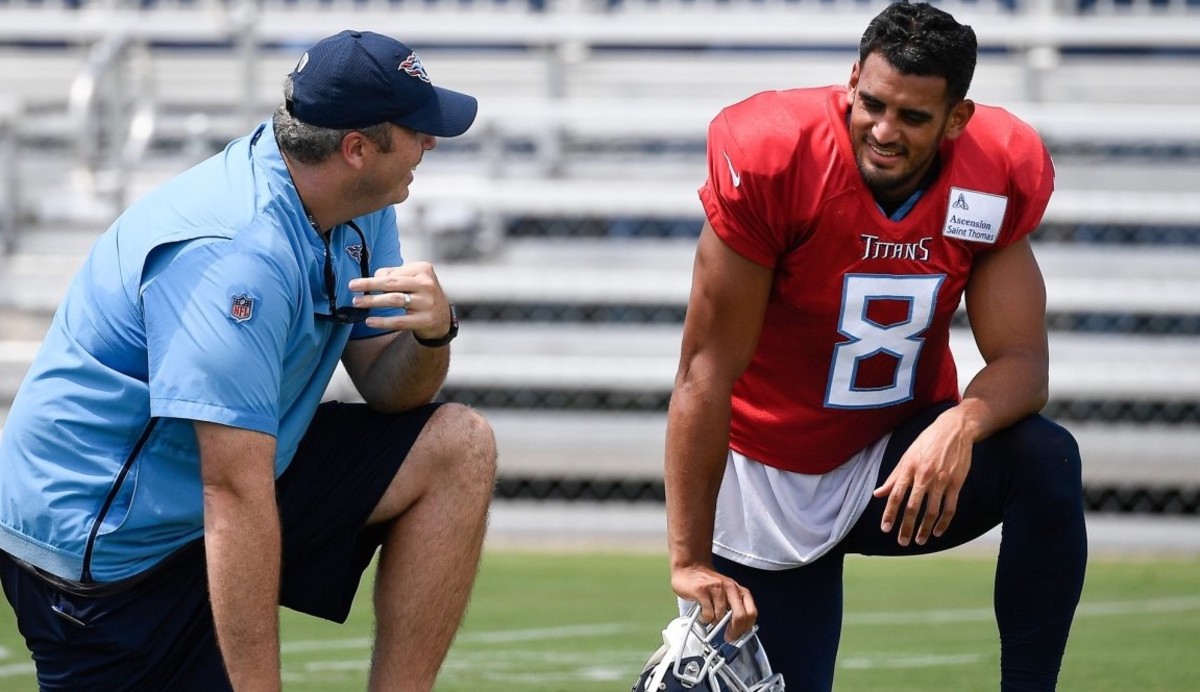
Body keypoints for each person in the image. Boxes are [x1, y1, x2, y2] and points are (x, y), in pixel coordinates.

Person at [0, 30, 497, 691]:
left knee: (458, 445)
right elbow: (229, 490)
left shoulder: (359, 202)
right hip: (103, 558)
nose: (430, 143)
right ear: (355, 149)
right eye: (416, 129)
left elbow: (389, 388)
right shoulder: (235, 254)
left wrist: (431, 337)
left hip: (216, 488)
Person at [664, 2, 1087, 690]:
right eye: (873, 104)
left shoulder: (990, 172)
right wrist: (687, 556)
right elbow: (704, 372)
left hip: (896, 463)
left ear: (957, 119)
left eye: (913, 117)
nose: (885, 131)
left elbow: (1023, 362)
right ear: (853, 78)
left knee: (1044, 457)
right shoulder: (777, 158)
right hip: (772, 472)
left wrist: (960, 422)